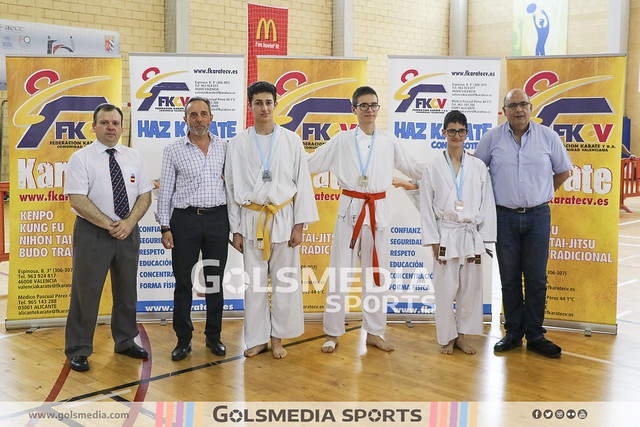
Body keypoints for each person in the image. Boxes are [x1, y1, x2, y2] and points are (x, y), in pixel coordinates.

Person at [308, 85, 424, 353]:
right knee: (340, 273)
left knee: (376, 275)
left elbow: (414, 167)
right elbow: (311, 163)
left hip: (377, 210)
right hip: (349, 209)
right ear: (354, 110)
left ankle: (374, 332)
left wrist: (448, 164)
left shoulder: (389, 141)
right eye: (364, 106)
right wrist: (281, 159)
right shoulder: (341, 141)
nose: (369, 110)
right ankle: (333, 333)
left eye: (374, 105)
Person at [475, 88, 572, 358]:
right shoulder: (491, 139)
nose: (519, 109)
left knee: (537, 279)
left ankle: (537, 335)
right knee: (509, 278)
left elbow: (563, 170)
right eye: (513, 105)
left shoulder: (548, 137)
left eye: (524, 105)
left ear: (531, 108)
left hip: (538, 216)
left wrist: (543, 192)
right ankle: (514, 334)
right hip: (503, 217)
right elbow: (476, 172)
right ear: (503, 110)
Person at [225, 81, 318, 359]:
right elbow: (231, 188)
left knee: (284, 283)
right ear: (250, 105)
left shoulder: (291, 140)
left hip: (284, 216)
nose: (264, 107)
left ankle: (278, 339)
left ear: (276, 104)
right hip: (252, 217)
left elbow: (302, 182)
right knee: (254, 285)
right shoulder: (238, 143)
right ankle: (257, 339)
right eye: (258, 103)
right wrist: (236, 230)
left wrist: (300, 224)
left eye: (268, 102)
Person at [64, 103, 153, 372]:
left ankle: (125, 340)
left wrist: (129, 223)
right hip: (93, 232)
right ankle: (79, 349)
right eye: (104, 123)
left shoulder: (134, 157)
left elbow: (145, 194)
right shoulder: (81, 158)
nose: (110, 127)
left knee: (127, 290)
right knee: (86, 292)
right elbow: (77, 198)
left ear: (122, 127)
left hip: (128, 230)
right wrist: (110, 224)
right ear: (94, 126)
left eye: (115, 123)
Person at [156, 97, 229, 361]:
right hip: (184, 222)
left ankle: (214, 337)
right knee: (183, 283)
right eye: (193, 115)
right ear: (185, 119)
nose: (199, 119)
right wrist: (165, 226)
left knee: (214, 282)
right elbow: (165, 191)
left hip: (217, 221)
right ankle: (183, 340)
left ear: (211, 118)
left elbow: (232, 187)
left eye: (203, 114)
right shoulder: (173, 149)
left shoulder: (225, 147)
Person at [419, 110, 496, 354]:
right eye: (451, 130)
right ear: (443, 132)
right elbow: (425, 207)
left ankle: (461, 336)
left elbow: (487, 203)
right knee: (445, 290)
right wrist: (432, 240)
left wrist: (485, 239)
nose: (456, 135)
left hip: (471, 235)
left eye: (461, 131)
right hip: (445, 234)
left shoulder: (478, 166)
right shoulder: (432, 167)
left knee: (469, 289)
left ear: (467, 133)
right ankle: (447, 338)